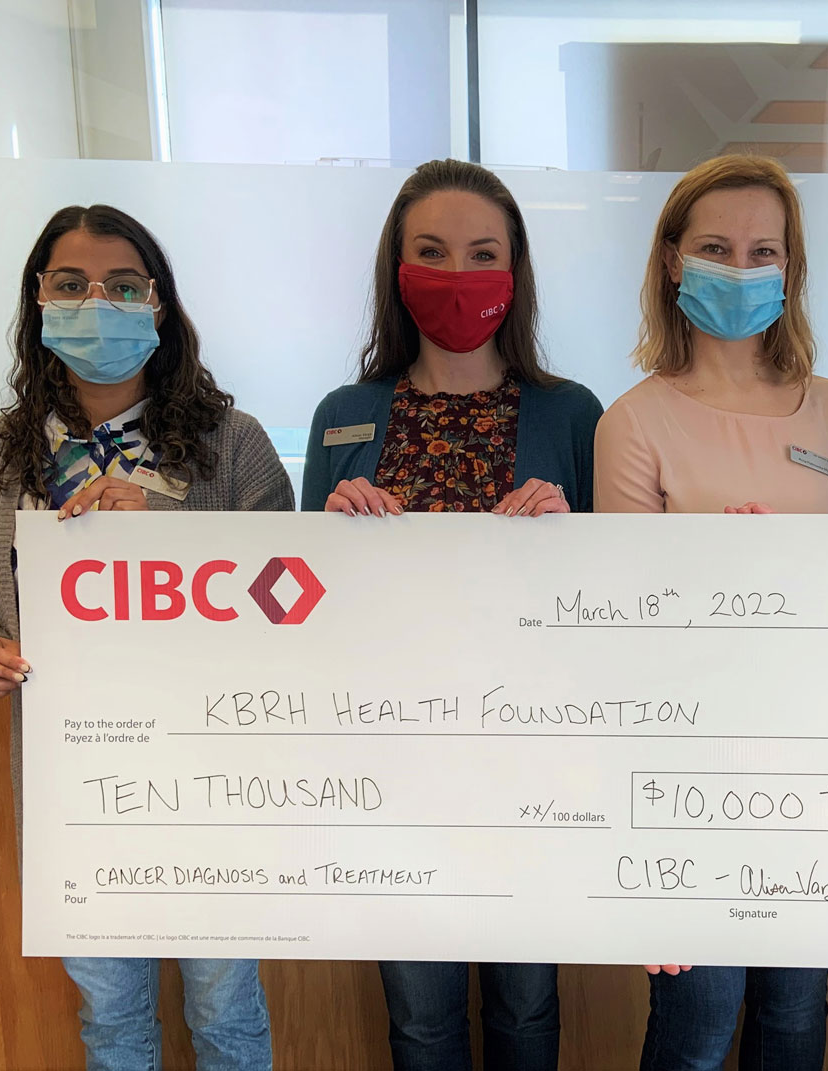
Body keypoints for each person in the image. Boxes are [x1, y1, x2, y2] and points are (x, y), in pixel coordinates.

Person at [0, 204, 290, 1071]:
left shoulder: (234, 446)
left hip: (213, 777)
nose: (97, 302)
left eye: (124, 286)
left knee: (225, 1008)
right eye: (71, 284)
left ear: (158, 303)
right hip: (74, 784)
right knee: (111, 1016)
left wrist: (167, 537)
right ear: (39, 300)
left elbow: (287, 603)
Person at [302, 158, 602, 1070]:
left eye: (482, 253)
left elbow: (613, 605)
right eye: (431, 252)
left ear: (515, 270)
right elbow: (305, 610)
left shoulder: (572, 414)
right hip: (395, 765)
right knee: (422, 1018)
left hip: (531, 761)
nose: (458, 274)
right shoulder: (344, 414)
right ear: (397, 269)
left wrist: (569, 533)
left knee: (526, 1006)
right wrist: (333, 533)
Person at [595, 154, 828, 1070]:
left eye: (764, 251)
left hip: (813, 760)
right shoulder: (633, 421)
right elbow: (624, 631)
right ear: (672, 259)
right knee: (699, 1021)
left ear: (790, 268)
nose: (741, 266)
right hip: (692, 770)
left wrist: (788, 578)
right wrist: (713, 583)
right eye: (716, 248)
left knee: (795, 1015)